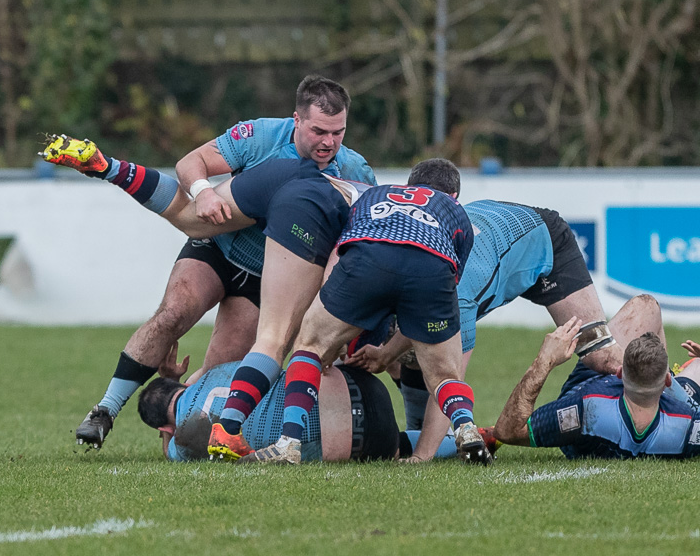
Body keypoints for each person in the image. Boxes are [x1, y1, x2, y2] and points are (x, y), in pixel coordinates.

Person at [41, 75, 375, 449]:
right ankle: (104, 410)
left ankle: (178, 408)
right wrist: (203, 191)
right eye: (319, 131)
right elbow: (191, 164)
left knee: (221, 376)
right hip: (218, 247)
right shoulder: (261, 137)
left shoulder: (355, 171)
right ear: (295, 120)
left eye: (338, 132)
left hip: (268, 279)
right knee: (173, 313)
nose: (329, 142)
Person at [210, 159, 492, 465]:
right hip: (432, 270)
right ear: (453, 196)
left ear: (408, 186)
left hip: (368, 257)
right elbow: (451, 279)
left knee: (309, 346)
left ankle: (288, 443)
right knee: (443, 375)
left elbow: (343, 251)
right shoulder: (457, 213)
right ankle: (465, 427)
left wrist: (338, 335)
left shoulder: (376, 192)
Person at [342, 199, 640, 460]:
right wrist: (383, 355)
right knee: (416, 356)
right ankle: (459, 435)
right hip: (493, 250)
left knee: (598, 356)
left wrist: (422, 456)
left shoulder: (456, 292)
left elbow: (450, 376)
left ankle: (666, 387)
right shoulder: (417, 260)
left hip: (547, 241)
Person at [135, 344, 494, 463]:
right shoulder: (225, 371)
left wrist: (165, 437)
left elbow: (173, 445)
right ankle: (470, 432)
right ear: (181, 383)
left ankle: (465, 439)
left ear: (164, 426)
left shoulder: (181, 442)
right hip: (363, 385)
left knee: (395, 445)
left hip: (363, 439)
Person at [493, 320, 700, 459]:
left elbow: (508, 431)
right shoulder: (688, 426)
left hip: (599, 397)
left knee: (645, 305)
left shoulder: (587, 407)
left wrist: (544, 361)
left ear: (618, 372)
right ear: (668, 380)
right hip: (674, 415)